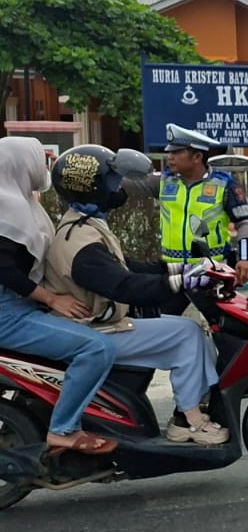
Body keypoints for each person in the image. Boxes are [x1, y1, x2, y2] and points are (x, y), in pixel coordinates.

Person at [42, 146, 229, 446]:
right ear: (93, 187)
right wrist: (182, 282)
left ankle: (191, 407)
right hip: (96, 330)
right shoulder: (82, 244)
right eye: (113, 181)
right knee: (187, 333)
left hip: (100, 321)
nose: (118, 188)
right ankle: (189, 421)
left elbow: (129, 266)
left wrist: (179, 268)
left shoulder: (84, 224)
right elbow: (126, 286)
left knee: (183, 330)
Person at [0, 137, 117, 478]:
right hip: (8, 312)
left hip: (16, 306)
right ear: (20, 165)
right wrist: (52, 299)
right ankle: (63, 429)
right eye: (39, 160)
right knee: (97, 348)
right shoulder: (9, 209)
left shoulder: (19, 201)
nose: (44, 168)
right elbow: (5, 270)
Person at [153, 125, 248, 286]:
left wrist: (245, 259)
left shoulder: (224, 184)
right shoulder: (162, 181)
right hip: (171, 270)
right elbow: (130, 185)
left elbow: (244, 222)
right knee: (167, 312)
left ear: (196, 157)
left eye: (176, 152)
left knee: (213, 311)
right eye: (169, 152)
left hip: (211, 271)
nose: (169, 157)